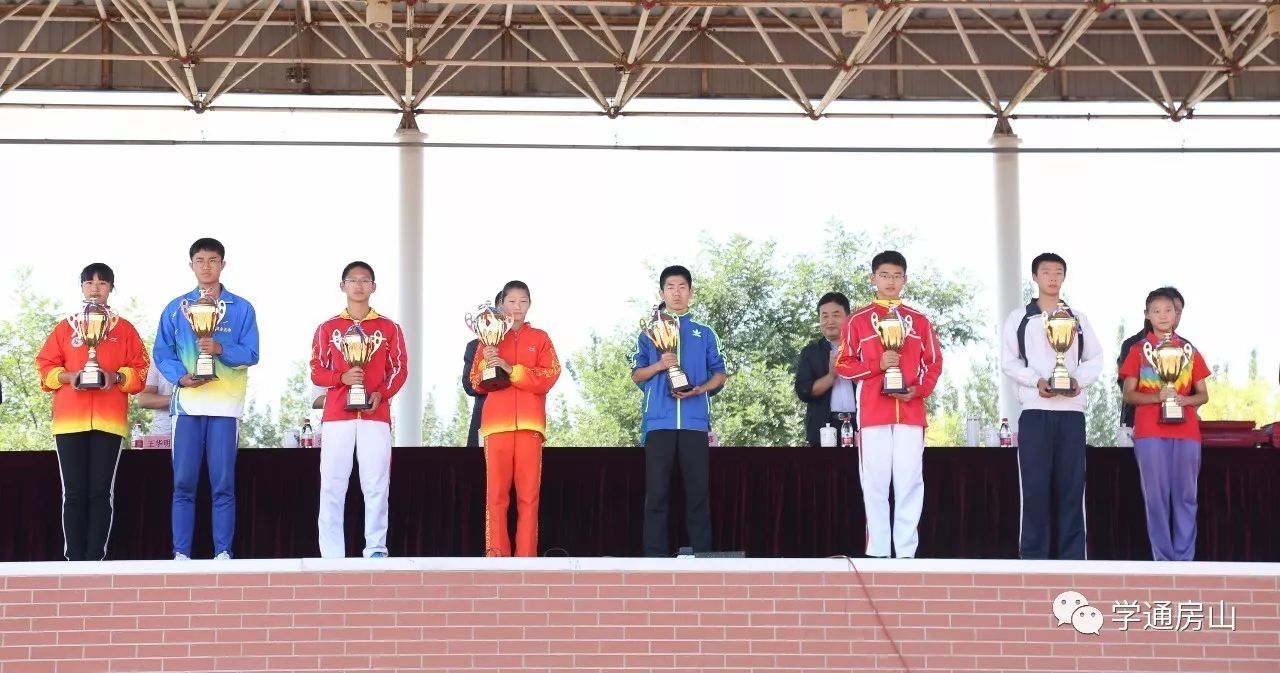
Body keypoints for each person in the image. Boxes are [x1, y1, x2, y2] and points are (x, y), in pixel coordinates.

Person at [154, 238, 260, 561]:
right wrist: (180, 377)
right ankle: (181, 553)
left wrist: (221, 349)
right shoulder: (176, 309)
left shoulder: (241, 308)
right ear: (191, 266)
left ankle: (224, 552)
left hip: (225, 408)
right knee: (183, 483)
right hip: (187, 406)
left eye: (213, 260)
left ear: (222, 264)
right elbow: (161, 351)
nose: (206, 266)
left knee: (223, 483)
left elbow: (253, 353)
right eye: (200, 260)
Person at [36, 263, 149, 561]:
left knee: (100, 493)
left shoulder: (124, 329)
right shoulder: (65, 327)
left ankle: (95, 560)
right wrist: (68, 377)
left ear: (112, 287)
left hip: (109, 421)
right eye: (89, 282)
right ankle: (74, 560)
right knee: (72, 493)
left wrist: (118, 377)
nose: (96, 287)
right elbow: (45, 366)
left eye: (102, 282)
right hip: (69, 421)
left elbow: (140, 371)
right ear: (82, 287)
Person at [835, 250, 942, 559]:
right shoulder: (856, 321)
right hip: (873, 412)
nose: (891, 281)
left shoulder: (919, 322)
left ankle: (907, 553)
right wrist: (877, 363)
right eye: (885, 275)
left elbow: (934, 363)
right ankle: (879, 552)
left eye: (897, 276)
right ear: (873, 278)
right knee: (876, 483)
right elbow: (843, 364)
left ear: (905, 279)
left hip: (910, 411)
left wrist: (918, 390)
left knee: (909, 481)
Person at [999, 253, 1104, 560]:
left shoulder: (1078, 319)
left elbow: (1095, 359)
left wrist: (1076, 381)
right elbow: (1009, 360)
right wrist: (1035, 381)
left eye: (1058, 272)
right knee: (1034, 489)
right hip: (1034, 411)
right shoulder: (1020, 318)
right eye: (1046, 272)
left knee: (1072, 488)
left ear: (1064, 277)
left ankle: (1073, 559)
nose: (1052, 277)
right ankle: (1033, 559)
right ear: (1035, 277)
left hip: (1071, 413)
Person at [310, 261, 408, 559]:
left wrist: (383, 393)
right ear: (343, 286)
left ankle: (376, 549)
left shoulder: (389, 328)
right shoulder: (327, 329)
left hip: (375, 414)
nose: (359, 286)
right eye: (352, 280)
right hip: (337, 415)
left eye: (365, 280)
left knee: (377, 484)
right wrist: (341, 378)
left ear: (373, 287)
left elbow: (400, 369)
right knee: (332, 485)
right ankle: (331, 555)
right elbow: (316, 370)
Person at [632, 266, 727, 557]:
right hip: (659, 422)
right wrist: (661, 365)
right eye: (670, 287)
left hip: (694, 423)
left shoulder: (705, 332)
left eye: (682, 286)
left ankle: (703, 556)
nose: (676, 292)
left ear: (691, 292)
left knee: (698, 493)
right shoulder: (648, 332)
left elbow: (720, 374)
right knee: (656, 494)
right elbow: (637, 374)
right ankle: (654, 558)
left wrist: (699, 390)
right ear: (662, 293)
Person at [468, 280, 560, 557]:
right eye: (511, 302)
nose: (517, 308)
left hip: (531, 425)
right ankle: (496, 555)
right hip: (496, 426)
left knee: (528, 497)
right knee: (496, 496)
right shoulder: (488, 339)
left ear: (529, 304)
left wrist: (510, 369)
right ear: (501, 305)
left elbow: (549, 376)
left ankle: (527, 559)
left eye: (523, 302)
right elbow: (476, 383)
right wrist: (488, 362)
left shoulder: (541, 338)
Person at [1120, 288, 1210, 561]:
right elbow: (1128, 394)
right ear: (1147, 315)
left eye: (1168, 310)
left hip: (1187, 432)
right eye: (1156, 311)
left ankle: (1184, 561)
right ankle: (1163, 561)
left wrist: (1185, 400)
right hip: (1149, 432)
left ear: (1176, 314)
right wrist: (1155, 396)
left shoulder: (1189, 350)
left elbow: (1203, 395)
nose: (1162, 316)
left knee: (1186, 497)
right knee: (1156, 499)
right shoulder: (1137, 351)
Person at [1117, 287, 1185, 447]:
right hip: (1139, 426)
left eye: (1177, 311)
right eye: (1163, 310)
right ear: (1149, 313)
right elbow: (1127, 390)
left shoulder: (1186, 348)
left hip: (1178, 428)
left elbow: (1197, 393)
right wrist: (1158, 397)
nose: (1169, 316)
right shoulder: (1133, 346)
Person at [795, 292, 854, 447]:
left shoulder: (862, 349)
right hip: (824, 429)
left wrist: (852, 370)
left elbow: (874, 386)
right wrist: (831, 376)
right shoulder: (811, 352)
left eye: (836, 315)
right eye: (824, 316)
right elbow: (803, 391)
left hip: (860, 428)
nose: (830, 321)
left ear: (848, 318)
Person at [463, 292, 503, 448]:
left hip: (517, 420)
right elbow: (468, 385)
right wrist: (486, 365)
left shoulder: (524, 342)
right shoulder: (474, 346)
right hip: (484, 419)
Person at [138, 364, 175, 437]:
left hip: (200, 428)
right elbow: (144, 400)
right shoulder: (157, 357)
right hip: (165, 431)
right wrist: (179, 399)